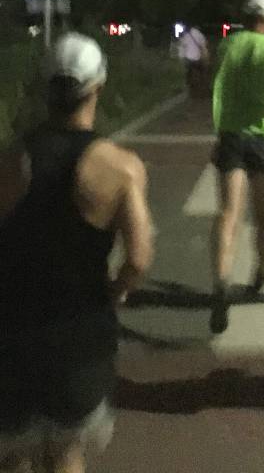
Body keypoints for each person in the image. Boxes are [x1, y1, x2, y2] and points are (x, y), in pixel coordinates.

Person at [0, 33, 153, 473]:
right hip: (79, 332)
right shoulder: (120, 168)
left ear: (46, 88)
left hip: (13, 326)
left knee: (12, 453)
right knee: (67, 451)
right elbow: (139, 258)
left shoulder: (10, 160)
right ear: (97, 87)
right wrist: (115, 291)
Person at [210, 0, 264, 334]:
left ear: (244, 17)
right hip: (263, 138)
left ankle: (221, 280)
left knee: (229, 212)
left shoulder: (226, 46)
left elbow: (215, 85)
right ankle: (260, 269)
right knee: (262, 213)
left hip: (230, 135)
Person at [178, 24, 210, 98]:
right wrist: (206, 57)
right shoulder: (199, 35)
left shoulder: (185, 35)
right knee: (202, 72)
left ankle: (189, 87)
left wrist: (181, 57)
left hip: (188, 59)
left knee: (188, 74)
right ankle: (203, 88)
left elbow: (182, 47)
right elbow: (204, 47)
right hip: (197, 58)